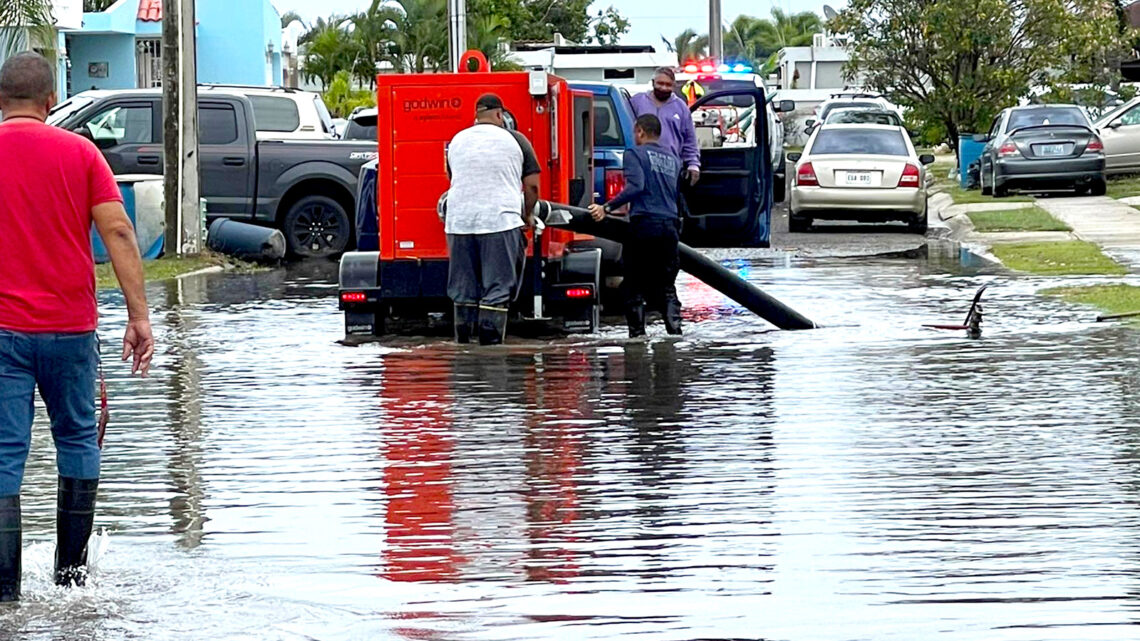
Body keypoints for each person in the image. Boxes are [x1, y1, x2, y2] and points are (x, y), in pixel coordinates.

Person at [0, 52, 154, 602]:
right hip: (69, 328)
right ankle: (72, 583)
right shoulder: (81, 152)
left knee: (3, 455)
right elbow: (117, 231)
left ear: (0, 100)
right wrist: (138, 316)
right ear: (49, 102)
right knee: (77, 441)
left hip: (2, 332)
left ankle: (6, 597)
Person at [444, 93, 541, 345]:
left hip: (459, 223)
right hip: (500, 222)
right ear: (500, 115)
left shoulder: (457, 140)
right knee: (496, 291)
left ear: (476, 116)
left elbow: (452, 176)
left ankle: (463, 350)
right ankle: (491, 352)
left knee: (462, 291)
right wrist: (527, 215)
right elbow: (532, 187)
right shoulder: (516, 139)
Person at [589, 114, 683, 338]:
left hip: (644, 225)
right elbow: (677, 195)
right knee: (667, 286)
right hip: (670, 226)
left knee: (634, 284)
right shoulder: (673, 158)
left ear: (640, 131)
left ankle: (638, 336)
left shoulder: (634, 154)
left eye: (634, 133)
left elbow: (636, 186)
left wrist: (607, 208)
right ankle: (675, 333)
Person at [629, 67, 701, 187]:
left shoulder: (681, 108)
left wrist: (693, 164)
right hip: (642, 164)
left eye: (668, 85)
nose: (663, 88)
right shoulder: (637, 101)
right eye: (660, 83)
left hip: (670, 168)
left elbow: (689, 139)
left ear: (674, 86)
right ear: (653, 83)